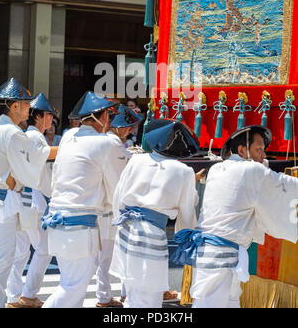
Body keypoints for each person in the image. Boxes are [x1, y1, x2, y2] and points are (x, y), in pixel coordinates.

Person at [173, 125, 298, 308]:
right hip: (221, 255)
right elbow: (284, 184)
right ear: (242, 150)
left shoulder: (217, 169)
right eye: (259, 149)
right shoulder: (251, 171)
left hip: (216, 253)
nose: (264, 155)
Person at [41, 92, 130, 308]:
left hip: (58, 219)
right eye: (108, 114)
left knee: (71, 285)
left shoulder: (69, 137)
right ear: (103, 117)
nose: (110, 120)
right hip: (79, 225)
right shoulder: (107, 143)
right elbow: (118, 187)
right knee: (73, 288)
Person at [109, 118, 205, 308]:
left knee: (134, 291)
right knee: (149, 297)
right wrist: (186, 238)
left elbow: (118, 196)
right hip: (152, 232)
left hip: (127, 227)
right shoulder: (183, 171)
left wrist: (117, 221)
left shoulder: (137, 160)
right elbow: (187, 210)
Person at [0, 79, 57, 309]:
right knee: (4, 260)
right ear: (14, 106)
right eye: (24, 104)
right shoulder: (13, 133)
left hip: (7, 200)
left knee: (13, 256)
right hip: (5, 201)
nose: (28, 108)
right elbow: (30, 170)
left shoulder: (4, 130)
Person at [95, 104, 143, 308]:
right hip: (111, 207)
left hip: (106, 206)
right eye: (128, 126)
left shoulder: (110, 144)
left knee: (107, 256)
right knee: (110, 255)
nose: (130, 130)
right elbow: (118, 183)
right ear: (120, 127)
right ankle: (107, 297)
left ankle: (110, 295)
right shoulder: (113, 146)